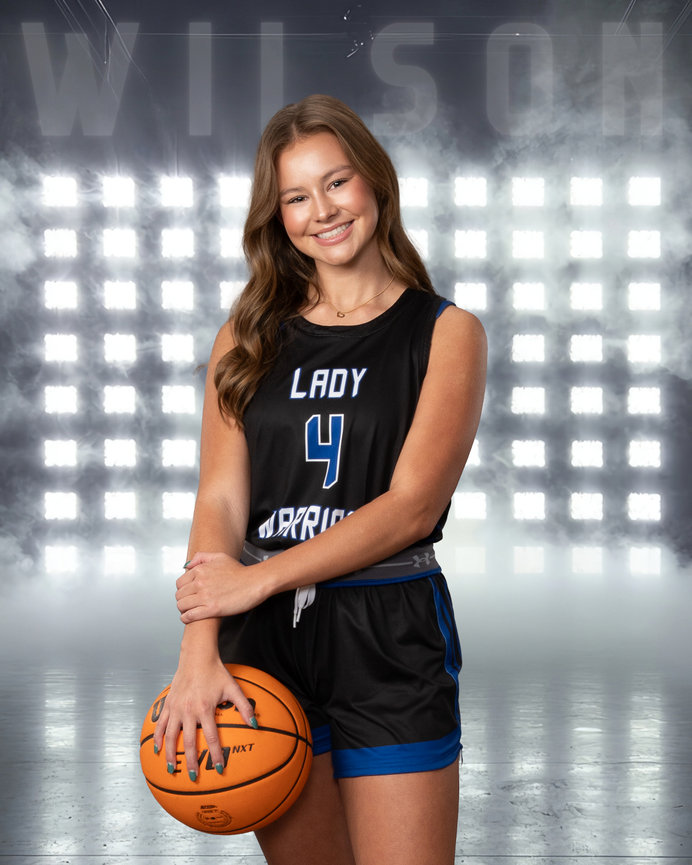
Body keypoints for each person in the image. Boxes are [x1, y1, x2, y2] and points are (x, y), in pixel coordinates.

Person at [153, 93, 486, 865]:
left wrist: (255, 581)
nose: (322, 211)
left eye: (337, 182)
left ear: (374, 181)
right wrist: (199, 647)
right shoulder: (246, 336)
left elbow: (412, 506)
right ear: (277, 217)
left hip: (387, 628)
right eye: (296, 196)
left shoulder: (446, 332)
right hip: (263, 637)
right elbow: (220, 497)